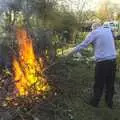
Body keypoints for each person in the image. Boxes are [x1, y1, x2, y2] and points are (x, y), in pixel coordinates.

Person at [67, 22, 117, 108]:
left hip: (102, 63)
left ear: (93, 28)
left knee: (99, 83)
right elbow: (106, 43)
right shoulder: (108, 30)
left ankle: (94, 102)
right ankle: (109, 103)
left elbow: (83, 45)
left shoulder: (94, 32)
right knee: (110, 83)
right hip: (113, 60)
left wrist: (70, 51)